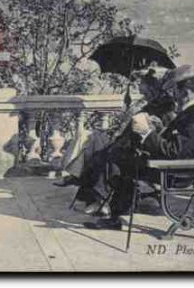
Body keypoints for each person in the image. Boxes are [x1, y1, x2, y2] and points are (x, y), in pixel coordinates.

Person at [84, 65, 194, 230]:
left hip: (179, 172)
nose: (174, 96)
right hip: (175, 166)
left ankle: (113, 212)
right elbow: (177, 144)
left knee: (118, 160)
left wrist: (147, 132)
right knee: (118, 155)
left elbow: (174, 151)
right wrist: (157, 129)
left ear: (186, 92)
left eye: (175, 91)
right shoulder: (193, 113)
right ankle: (115, 210)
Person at [63, 67, 175, 216]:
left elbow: (162, 133)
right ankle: (93, 197)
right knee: (96, 141)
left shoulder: (165, 108)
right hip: (128, 142)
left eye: (144, 89)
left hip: (140, 149)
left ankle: (93, 195)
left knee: (100, 148)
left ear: (154, 87)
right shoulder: (149, 105)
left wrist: (153, 125)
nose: (142, 93)